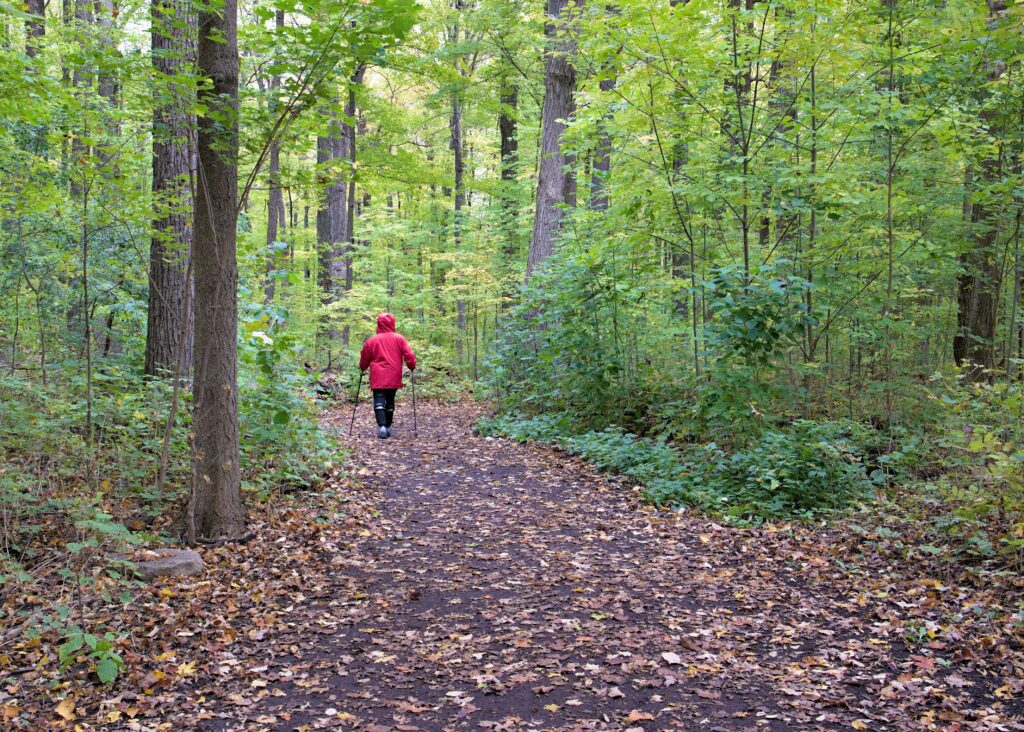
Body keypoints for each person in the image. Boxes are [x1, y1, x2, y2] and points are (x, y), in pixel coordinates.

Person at [358, 313, 416, 439]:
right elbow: (409, 355)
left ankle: (382, 426)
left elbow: (365, 356)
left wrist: (363, 367)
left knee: (379, 399)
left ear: (378, 324)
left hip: (378, 375)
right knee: (390, 400)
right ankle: (388, 426)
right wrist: (411, 366)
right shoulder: (399, 338)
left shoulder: (372, 340)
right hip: (394, 374)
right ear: (392, 323)